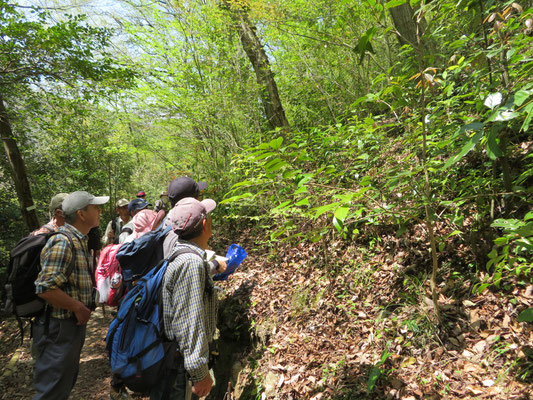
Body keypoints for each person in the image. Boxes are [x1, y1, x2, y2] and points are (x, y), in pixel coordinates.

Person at [33, 191, 109, 400]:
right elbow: (45, 287)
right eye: (95, 207)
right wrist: (77, 307)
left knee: (63, 383)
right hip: (58, 328)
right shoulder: (63, 242)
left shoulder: (78, 240)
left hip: (68, 327)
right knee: (52, 388)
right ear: (81, 214)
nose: (99, 210)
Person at [150, 197, 219, 400]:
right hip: (179, 368)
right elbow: (189, 322)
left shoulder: (181, 253)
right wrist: (199, 374)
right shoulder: (190, 263)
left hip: (174, 360)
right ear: (205, 224)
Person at [163, 177, 225, 275]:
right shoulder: (178, 231)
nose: (200, 199)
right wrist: (215, 264)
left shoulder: (168, 223)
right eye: (198, 195)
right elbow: (185, 270)